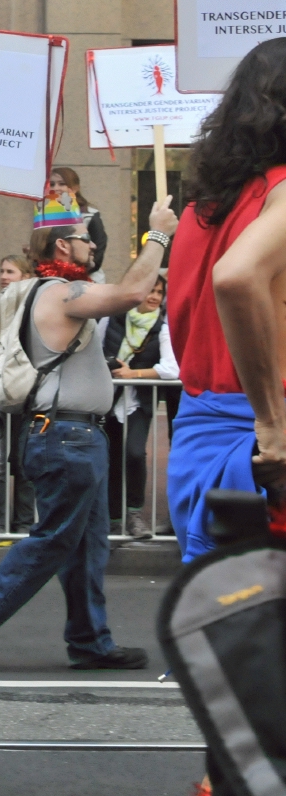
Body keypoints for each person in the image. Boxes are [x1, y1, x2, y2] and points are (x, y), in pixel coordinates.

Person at [0, 194, 178, 673]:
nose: (92, 245)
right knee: (53, 539)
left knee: (87, 545)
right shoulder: (59, 293)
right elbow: (134, 293)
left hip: (74, 436)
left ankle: (90, 640)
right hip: (67, 437)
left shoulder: (54, 291)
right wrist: (157, 234)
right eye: (83, 238)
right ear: (61, 246)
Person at [167, 37, 286, 571]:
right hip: (266, 445)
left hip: (200, 434)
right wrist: (272, 420)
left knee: (227, 624)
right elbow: (236, 279)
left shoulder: (202, 208)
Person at [104, 276, 175, 539]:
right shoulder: (112, 318)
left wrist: (133, 374)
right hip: (108, 398)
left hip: (138, 401)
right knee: (111, 456)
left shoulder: (163, 327)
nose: (155, 297)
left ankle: (134, 513)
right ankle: (113, 518)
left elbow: (171, 369)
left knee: (134, 453)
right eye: (150, 291)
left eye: (159, 292)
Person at [0, 255, 37, 542]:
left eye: (10, 271)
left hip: (26, 395)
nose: (3, 276)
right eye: (1, 271)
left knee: (24, 462)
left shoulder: (35, 310)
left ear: (25, 277)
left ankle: (24, 522)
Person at [50, 168, 108, 283]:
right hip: (54, 278)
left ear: (75, 188)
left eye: (62, 184)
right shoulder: (45, 216)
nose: (55, 188)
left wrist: (75, 273)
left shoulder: (90, 215)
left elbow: (98, 251)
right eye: (52, 184)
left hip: (87, 279)